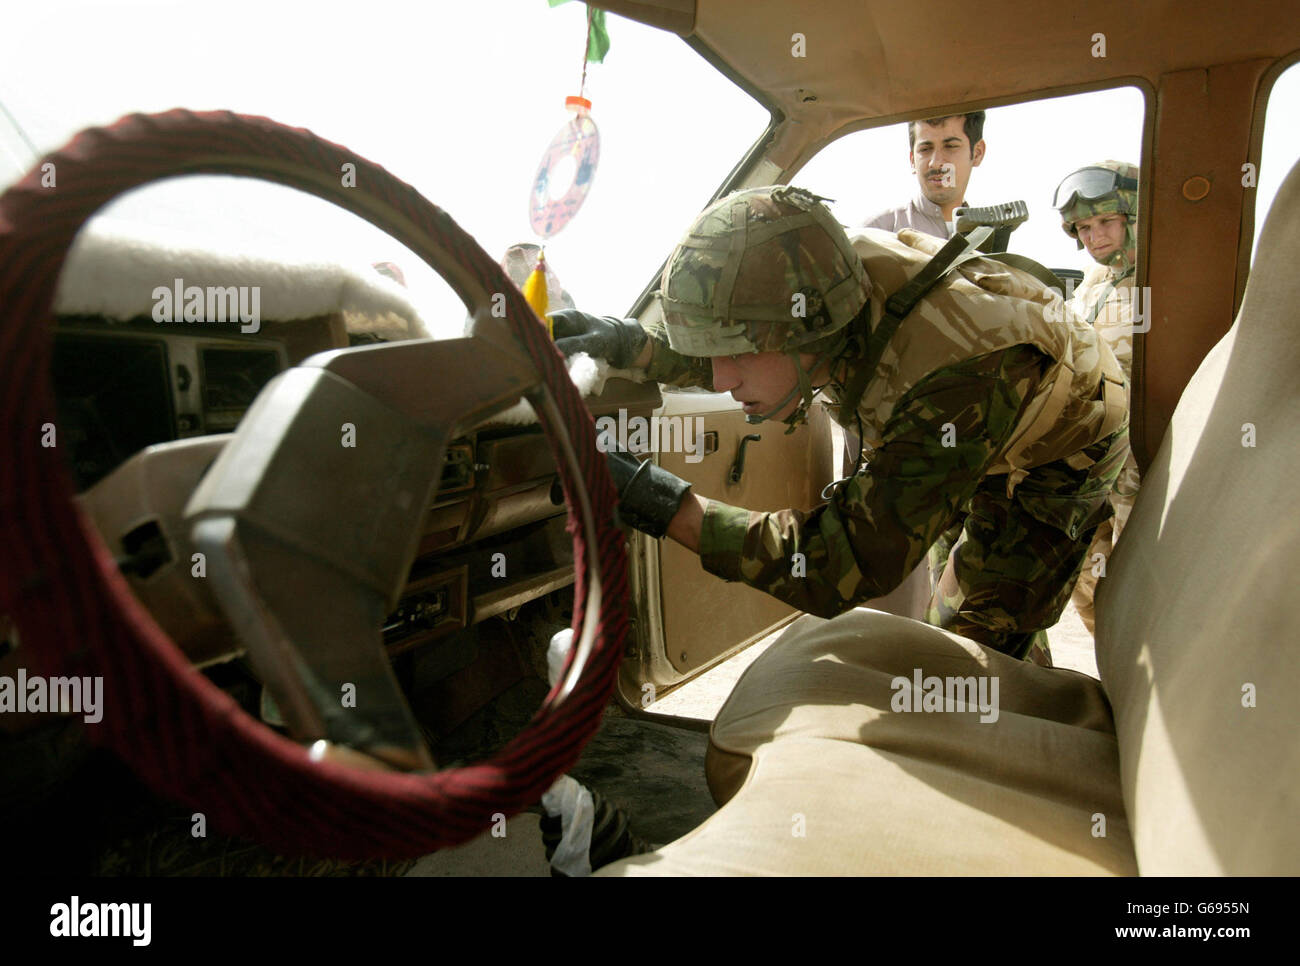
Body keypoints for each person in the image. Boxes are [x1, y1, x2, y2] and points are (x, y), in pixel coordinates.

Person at [552, 185, 1129, 661]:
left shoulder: (951, 376)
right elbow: (753, 343)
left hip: (1062, 443)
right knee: (965, 598)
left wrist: (652, 499)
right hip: (974, 421)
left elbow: (842, 565)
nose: (721, 379)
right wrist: (631, 344)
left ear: (811, 335)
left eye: (737, 354)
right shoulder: (811, 276)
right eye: (713, 351)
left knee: (969, 646)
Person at [1054, 160, 1143, 635]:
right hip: (1091, 465)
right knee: (1087, 583)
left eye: (1106, 221)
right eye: (1084, 227)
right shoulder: (1090, 285)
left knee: (1139, 585)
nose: (1094, 236)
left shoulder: (1168, 278)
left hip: (1141, 470)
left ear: (1134, 215)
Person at [862, 112, 986, 238]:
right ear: (912, 160)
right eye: (925, 149)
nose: (936, 163)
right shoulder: (876, 233)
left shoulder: (992, 236)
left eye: (950, 146)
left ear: (977, 153)